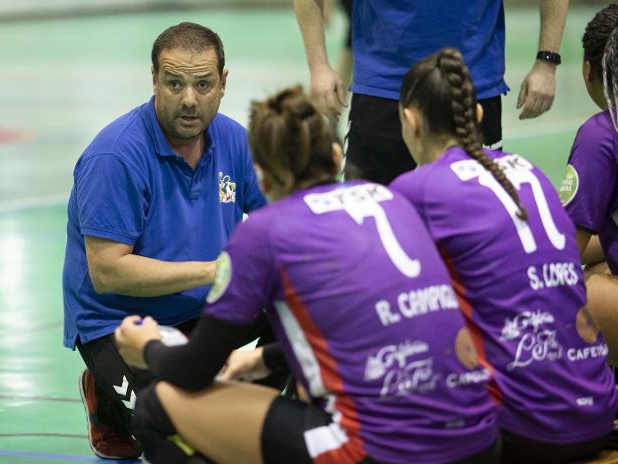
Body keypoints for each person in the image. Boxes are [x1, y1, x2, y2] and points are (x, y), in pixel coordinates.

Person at [114, 86, 499, 464]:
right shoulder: (391, 199)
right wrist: (266, 357)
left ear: (262, 178)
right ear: (336, 157)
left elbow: (194, 371)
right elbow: (376, 324)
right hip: (481, 440)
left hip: (378, 451)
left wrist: (149, 346)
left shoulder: (264, 232)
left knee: (154, 408)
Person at [389, 48, 618, 464]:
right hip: (599, 410)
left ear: (410, 120)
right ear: (476, 115)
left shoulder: (417, 187)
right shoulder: (527, 170)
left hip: (524, 430)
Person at [61, 22, 266, 459]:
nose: (189, 99)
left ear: (223, 84)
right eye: (174, 83)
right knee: (185, 441)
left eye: (203, 84)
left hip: (203, 307)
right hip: (122, 322)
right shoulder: (115, 156)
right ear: (154, 80)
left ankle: (238, 393)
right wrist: (217, 271)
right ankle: (106, 395)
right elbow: (108, 270)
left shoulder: (233, 140)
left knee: (303, 306)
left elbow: (280, 220)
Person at [293, 0, 568, 185]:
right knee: (373, 218)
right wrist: (318, 65)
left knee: (473, 217)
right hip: (384, 87)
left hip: (471, 82)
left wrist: (547, 61)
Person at [557, 5, 618, 366]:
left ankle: (588, 402)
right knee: (595, 270)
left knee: (558, 293)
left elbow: (565, 250)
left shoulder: (601, 134)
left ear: (587, 70)